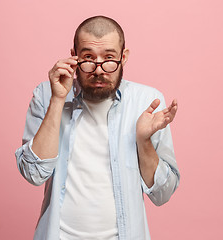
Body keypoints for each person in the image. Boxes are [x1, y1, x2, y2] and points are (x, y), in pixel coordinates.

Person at [15, 15, 180, 240]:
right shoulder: (46, 94)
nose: (99, 69)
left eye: (109, 58)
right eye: (88, 57)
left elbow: (163, 194)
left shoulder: (147, 103)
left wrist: (143, 141)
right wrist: (57, 100)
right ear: (74, 57)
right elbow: (33, 174)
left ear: (124, 57)